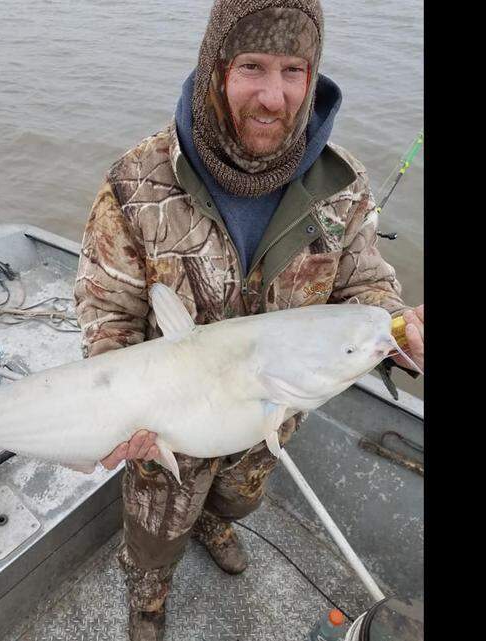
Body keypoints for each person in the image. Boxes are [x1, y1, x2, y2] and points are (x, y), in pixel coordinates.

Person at [72, 1, 423, 638]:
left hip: (270, 417)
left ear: (312, 76)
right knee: (154, 527)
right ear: (216, 70)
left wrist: (401, 328)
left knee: (238, 495)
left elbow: (366, 288)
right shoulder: (135, 182)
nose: (273, 95)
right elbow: (107, 315)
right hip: (166, 426)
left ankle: (217, 521)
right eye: (252, 67)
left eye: (294, 70)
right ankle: (148, 595)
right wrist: (124, 412)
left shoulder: (344, 186)